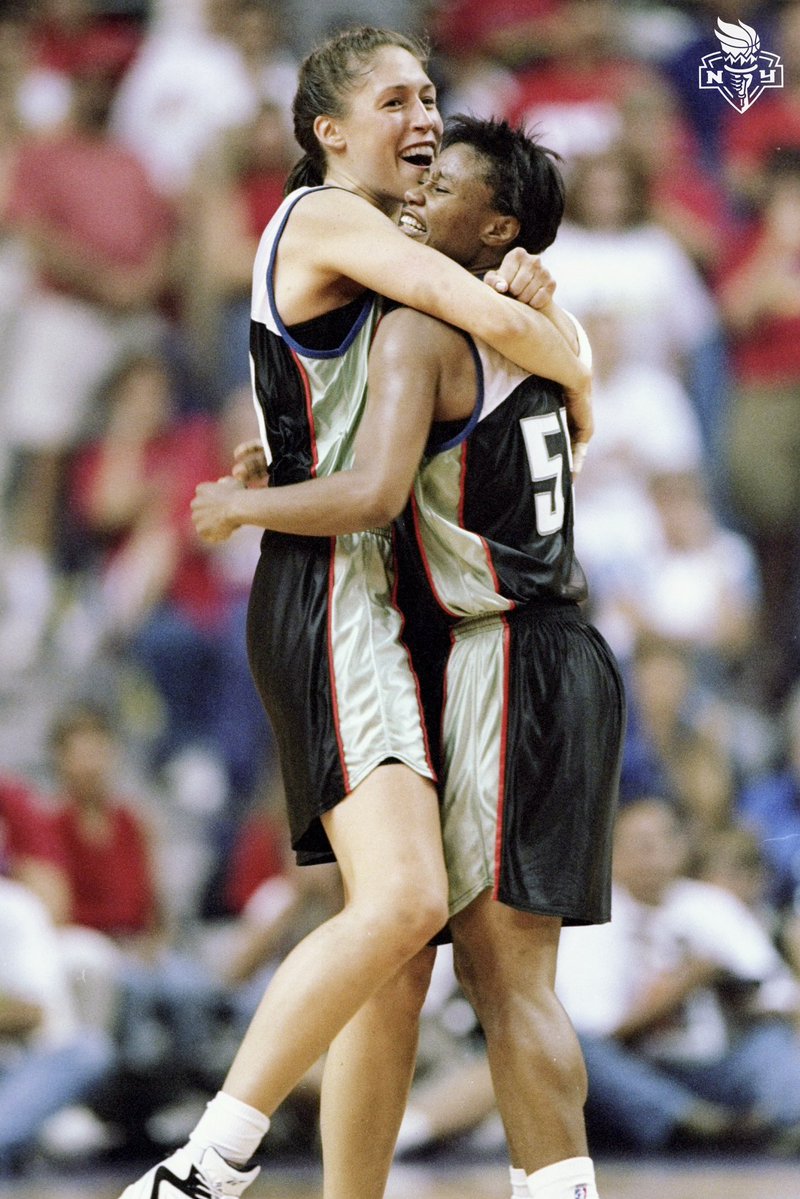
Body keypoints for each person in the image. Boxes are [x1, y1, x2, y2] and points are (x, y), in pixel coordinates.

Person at [118, 26, 590, 1199]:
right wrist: (564, 344)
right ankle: (211, 1158)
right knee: (404, 904)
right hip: (334, 589)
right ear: (328, 130)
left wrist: (521, 302)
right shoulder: (339, 222)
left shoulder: (380, 245)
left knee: (395, 958)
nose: (423, 115)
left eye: (431, 92)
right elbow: (462, 324)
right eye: (395, 98)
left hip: (381, 594)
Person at [556, 797, 800, 1155]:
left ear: (681, 847)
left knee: (771, 1043)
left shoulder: (712, 905)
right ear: (612, 853)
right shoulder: (588, 921)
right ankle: (690, 1124)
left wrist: (736, 995)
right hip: (642, 1071)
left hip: (718, 1062)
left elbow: (779, 993)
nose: (654, 856)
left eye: (665, 841)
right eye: (641, 845)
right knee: (577, 1051)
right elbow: (595, 1032)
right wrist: (681, 985)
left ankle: (785, 1120)